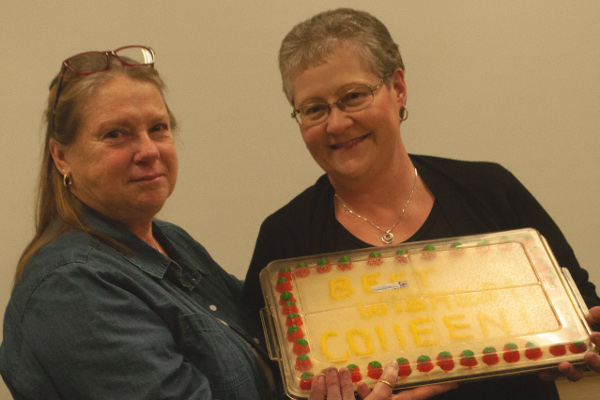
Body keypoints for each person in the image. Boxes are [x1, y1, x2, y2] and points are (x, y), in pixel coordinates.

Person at [242, 8, 600, 400]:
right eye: (314, 108)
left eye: (353, 96)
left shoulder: (490, 190)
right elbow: (264, 384)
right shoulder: (285, 238)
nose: (337, 123)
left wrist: (589, 345)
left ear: (398, 88)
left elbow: (581, 308)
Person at [0, 46, 282, 400]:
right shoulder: (71, 286)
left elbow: (275, 333)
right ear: (62, 157)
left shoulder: (173, 242)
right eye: (116, 134)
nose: (149, 151)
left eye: (158, 128)